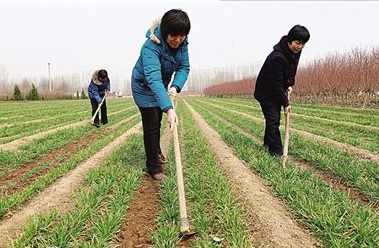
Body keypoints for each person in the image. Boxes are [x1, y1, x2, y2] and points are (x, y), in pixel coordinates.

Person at [131, 9, 191, 181]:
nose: (178, 40)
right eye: (174, 35)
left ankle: (156, 151)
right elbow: (153, 79)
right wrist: (169, 109)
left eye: (182, 35)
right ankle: (153, 167)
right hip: (144, 87)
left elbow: (183, 67)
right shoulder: (150, 47)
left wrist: (175, 86)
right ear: (165, 32)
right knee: (151, 125)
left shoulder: (183, 45)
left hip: (160, 86)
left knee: (157, 121)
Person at [254, 25, 310, 156]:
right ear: (290, 41)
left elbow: (292, 69)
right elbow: (275, 84)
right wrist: (286, 103)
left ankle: (268, 144)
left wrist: (290, 84)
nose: (300, 46)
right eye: (297, 43)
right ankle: (276, 152)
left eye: (303, 44)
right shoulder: (277, 58)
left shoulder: (295, 52)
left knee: (273, 119)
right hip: (265, 92)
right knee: (273, 120)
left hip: (275, 89)